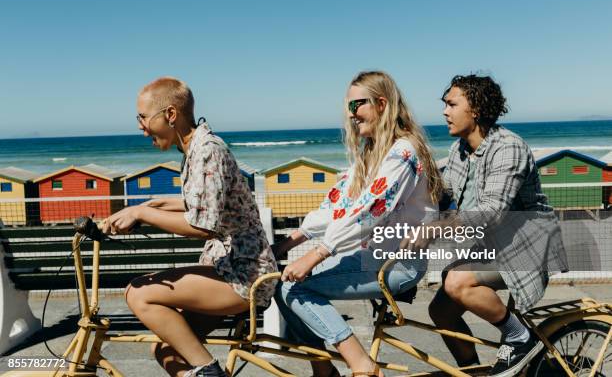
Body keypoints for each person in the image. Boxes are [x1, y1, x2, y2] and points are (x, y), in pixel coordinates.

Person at [101, 77, 278, 377]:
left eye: (143, 118)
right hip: (227, 268)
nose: (140, 127)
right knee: (165, 349)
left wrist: (143, 213)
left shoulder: (208, 150)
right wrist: (152, 205)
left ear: (170, 115)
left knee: (138, 293)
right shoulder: (194, 150)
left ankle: (210, 372)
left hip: (244, 275)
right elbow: (201, 203)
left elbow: (202, 225)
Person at [273, 71, 442, 377]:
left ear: (381, 104)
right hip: (369, 258)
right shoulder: (371, 152)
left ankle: (361, 364)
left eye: (357, 106)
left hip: (397, 264)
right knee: (280, 285)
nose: (351, 115)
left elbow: (368, 211)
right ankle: (323, 370)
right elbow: (337, 205)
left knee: (294, 291)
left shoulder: (403, 152)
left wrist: (318, 253)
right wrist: (287, 244)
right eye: (348, 108)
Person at [416, 75, 568, 377]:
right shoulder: (459, 151)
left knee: (458, 282)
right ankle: (472, 371)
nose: (445, 112)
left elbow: (491, 212)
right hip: (493, 246)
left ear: (475, 109)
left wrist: (434, 229)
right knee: (441, 310)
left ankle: (519, 337)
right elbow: (446, 198)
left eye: (451, 104)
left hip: (528, 245)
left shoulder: (508, 147)